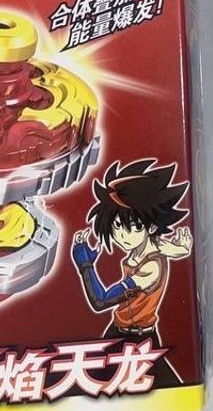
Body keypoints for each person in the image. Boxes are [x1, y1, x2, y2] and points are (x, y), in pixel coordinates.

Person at [71, 157, 193, 389]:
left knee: (167, 388)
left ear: (151, 226)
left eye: (135, 227)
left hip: (139, 340)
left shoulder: (150, 267)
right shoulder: (146, 250)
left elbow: (100, 301)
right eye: (117, 226)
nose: (123, 235)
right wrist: (182, 249)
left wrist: (85, 265)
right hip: (117, 331)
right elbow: (172, 248)